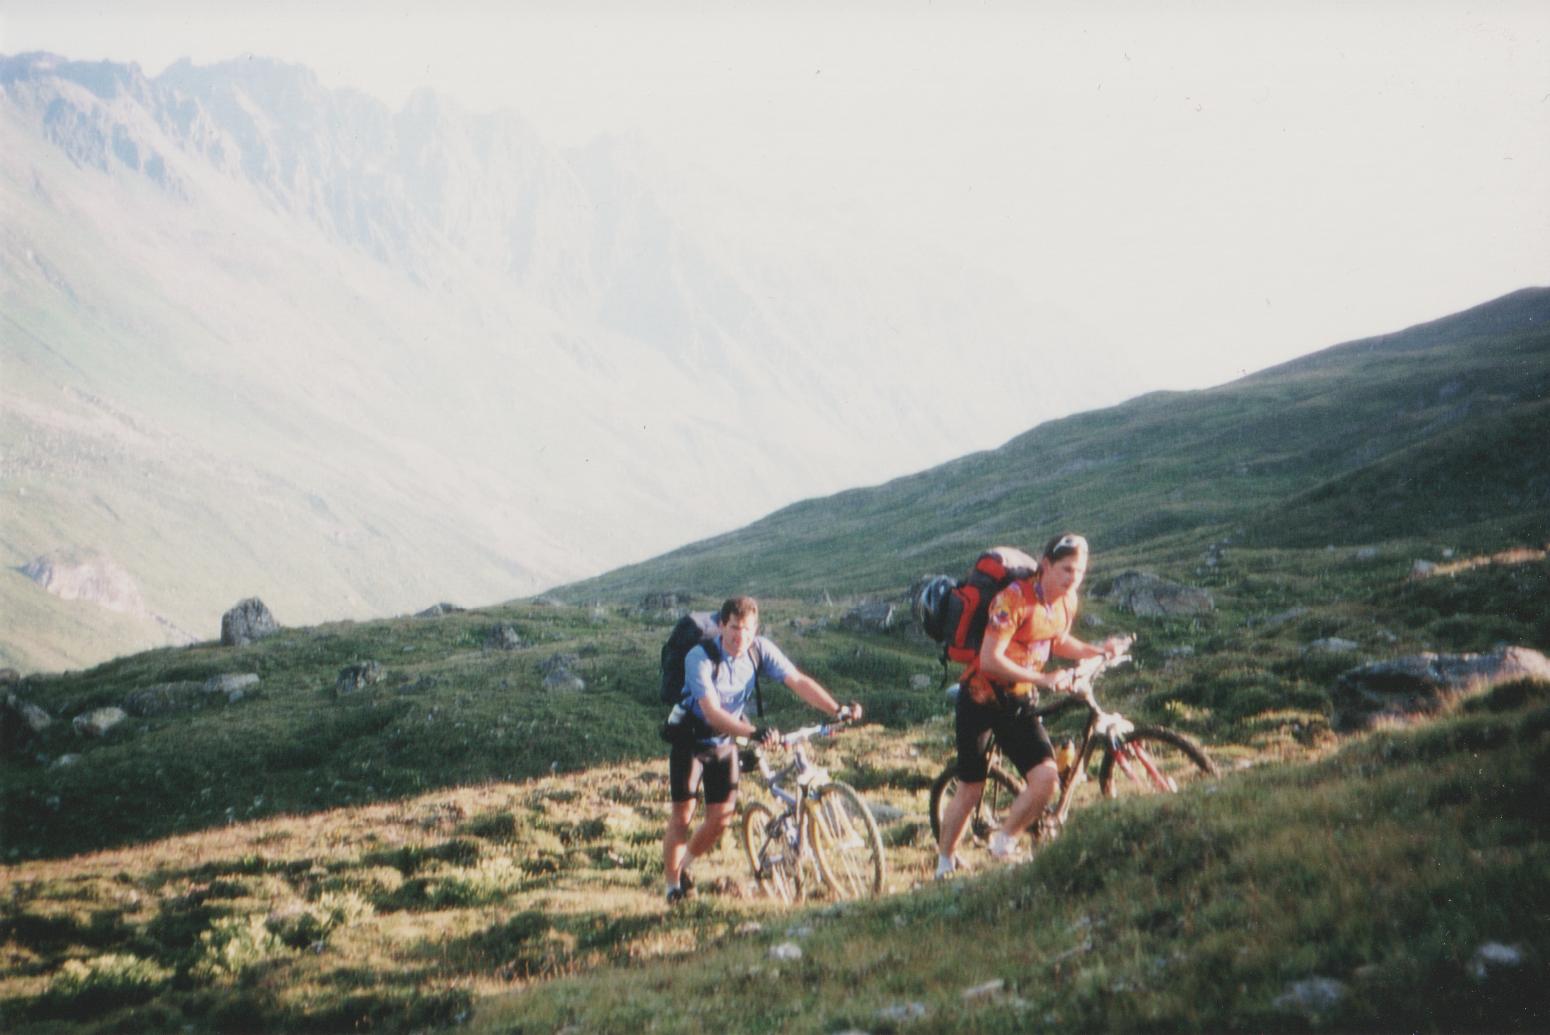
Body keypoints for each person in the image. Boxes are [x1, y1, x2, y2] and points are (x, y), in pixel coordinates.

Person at [935, 532, 1129, 879]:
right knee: (971, 787)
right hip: (981, 697)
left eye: (1080, 571)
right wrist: (1044, 679)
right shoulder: (1012, 600)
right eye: (1066, 569)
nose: (1073, 579)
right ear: (1045, 566)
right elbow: (990, 659)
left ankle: (1004, 844)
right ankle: (944, 862)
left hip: (1020, 700)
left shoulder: (1065, 603)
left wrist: (1097, 651)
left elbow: (1056, 639)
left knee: (1046, 779)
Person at [662, 595, 860, 904]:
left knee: (721, 819)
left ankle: (684, 865)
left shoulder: (759, 650)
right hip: (691, 740)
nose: (740, 637)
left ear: (756, 629)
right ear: (721, 626)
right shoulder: (699, 657)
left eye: (748, 629)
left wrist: (837, 709)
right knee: (682, 817)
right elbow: (712, 713)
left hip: (726, 742)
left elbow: (797, 680)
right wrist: (755, 733)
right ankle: (672, 887)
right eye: (734, 628)